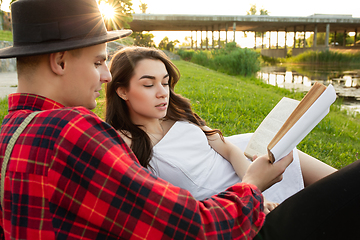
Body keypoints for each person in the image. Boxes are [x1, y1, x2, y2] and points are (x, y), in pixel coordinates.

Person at [0, 0, 295, 239]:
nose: (105, 75)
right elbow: (192, 228)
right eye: (97, 62)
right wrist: (253, 187)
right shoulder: (73, 130)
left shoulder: (8, 132)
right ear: (60, 62)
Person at [105, 46, 360, 239]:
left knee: (344, 190)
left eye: (166, 82)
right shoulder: (124, 144)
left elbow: (225, 148)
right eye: (148, 84)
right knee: (346, 195)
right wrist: (249, 197)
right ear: (122, 90)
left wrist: (252, 184)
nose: (163, 92)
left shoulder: (177, 114)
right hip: (228, 206)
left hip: (249, 175)